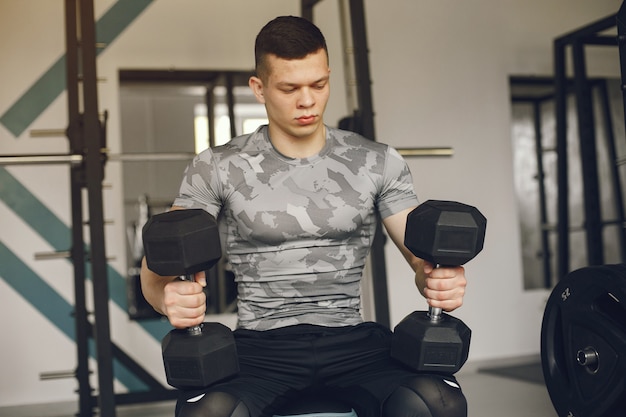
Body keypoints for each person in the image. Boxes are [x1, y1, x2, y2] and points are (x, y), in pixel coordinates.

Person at [141, 15, 469, 417]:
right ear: (259, 89)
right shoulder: (218, 166)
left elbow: (420, 259)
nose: (308, 101)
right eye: (289, 88)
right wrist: (164, 296)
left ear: (328, 75)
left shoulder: (377, 160)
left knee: (437, 403)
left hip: (353, 340)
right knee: (208, 412)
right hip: (260, 347)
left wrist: (438, 279)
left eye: (318, 84)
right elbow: (158, 266)